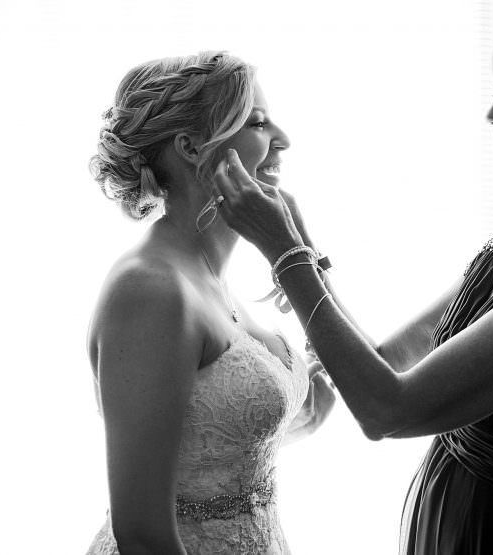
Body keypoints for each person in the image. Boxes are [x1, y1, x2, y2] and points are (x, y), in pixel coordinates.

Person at [215, 16, 493, 554]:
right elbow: (384, 361)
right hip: (456, 520)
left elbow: (389, 411)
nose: (492, 114)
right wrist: (303, 251)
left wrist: (286, 257)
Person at [84, 51, 335, 555]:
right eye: (259, 122)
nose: (283, 139)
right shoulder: (151, 289)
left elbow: (197, 457)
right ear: (191, 146)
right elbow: (142, 532)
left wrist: (295, 421)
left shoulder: (213, 279)